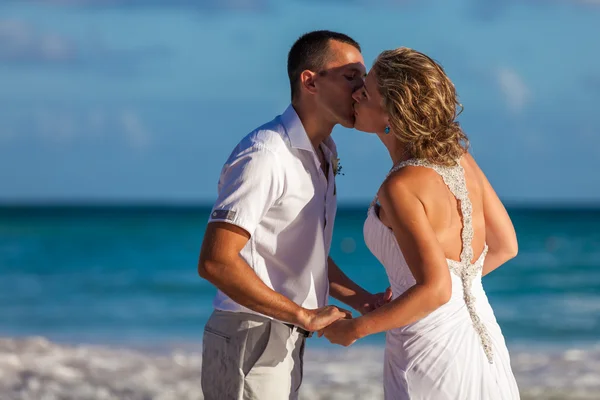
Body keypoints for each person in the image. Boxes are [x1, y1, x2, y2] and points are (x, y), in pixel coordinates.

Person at [197, 30, 391, 400]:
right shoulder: (266, 154)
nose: (361, 90)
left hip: (280, 333)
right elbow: (215, 262)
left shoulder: (324, 154)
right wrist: (302, 315)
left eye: (362, 80)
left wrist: (363, 300)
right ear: (310, 81)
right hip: (249, 333)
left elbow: (301, 252)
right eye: (351, 77)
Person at [321, 47, 521, 399]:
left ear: (392, 113)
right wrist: (414, 293)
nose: (355, 95)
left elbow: (435, 290)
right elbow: (505, 246)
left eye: (365, 92)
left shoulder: (401, 186)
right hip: (483, 344)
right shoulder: (459, 159)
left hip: (431, 354)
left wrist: (355, 330)